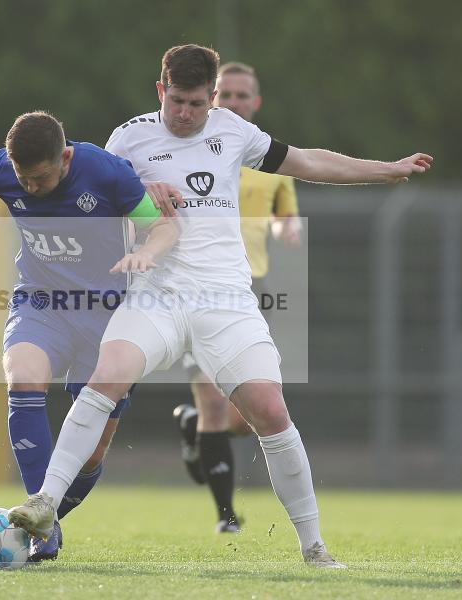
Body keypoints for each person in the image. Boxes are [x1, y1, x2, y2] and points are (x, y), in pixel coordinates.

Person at [8, 45, 432, 568]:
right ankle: (46, 503)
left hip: (224, 299)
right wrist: (141, 186)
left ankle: (314, 548)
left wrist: (382, 169)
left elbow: (307, 161)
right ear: (160, 90)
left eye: (196, 104)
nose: (184, 114)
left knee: (271, 412)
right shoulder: (129, 137)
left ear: (213, 97)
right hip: (155, 294)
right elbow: (93, 196)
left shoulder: (234, 131)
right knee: (105, 377)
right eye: (175, 101)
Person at [0, 111, 178, 562]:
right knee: (21, 380)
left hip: (107, 315)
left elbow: (161, 225)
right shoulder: (5, 169)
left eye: (40, 178)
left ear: (64, 157)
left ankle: (49, 516)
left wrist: (145, 251)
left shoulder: (104, 171)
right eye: (23, 177)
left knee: (91, 453)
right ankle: (46, 528)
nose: (30, 188)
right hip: (41, 302)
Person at [171, 61, 303, 534]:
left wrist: (286, 225)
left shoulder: (269, 163)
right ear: (212, 97)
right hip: (200, 287)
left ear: (256, 103)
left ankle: (192, 427)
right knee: (212, 401)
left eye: (242, 96)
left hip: (252, 291)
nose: (233, 102)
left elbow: (285, 214)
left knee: (251, 413)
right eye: (225, 94)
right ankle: (227, 516)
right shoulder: (191, 151)